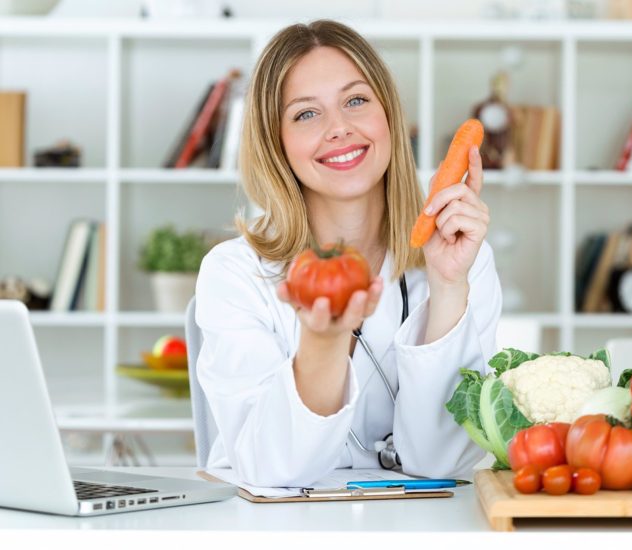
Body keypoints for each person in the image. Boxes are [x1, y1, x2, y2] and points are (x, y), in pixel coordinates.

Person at [195, 19, 502, 488]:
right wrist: (322, 342)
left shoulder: (464, 257)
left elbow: (442, 466)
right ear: (276, 144)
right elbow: (274, 471)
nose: (339, 128)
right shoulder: (236, 273)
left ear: (388, 116)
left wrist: (447, 285)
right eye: (305, 114)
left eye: (356, 101)